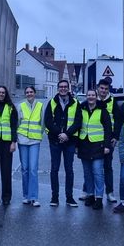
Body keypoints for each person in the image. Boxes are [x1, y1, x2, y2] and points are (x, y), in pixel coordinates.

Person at [43, 79, 82, 207]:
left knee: (69, 170)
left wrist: (67, 134)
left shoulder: (75, 103)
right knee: (54, 169)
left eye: (65, 87)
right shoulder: (52, 103)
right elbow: (48, 121)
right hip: (55, 141)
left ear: (69, 88)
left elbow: (78, 121)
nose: (63, 89)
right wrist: (59, 134)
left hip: (70, 141)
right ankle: (54, 198)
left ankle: (69, 198)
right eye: (61, 87)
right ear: (58, 88)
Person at [78, 89, 112, 210]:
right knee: (87, 173)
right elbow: (78, 126)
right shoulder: (81, 109)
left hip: (98, 145)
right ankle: (90, 195)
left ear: (96, 97)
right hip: (84, 145)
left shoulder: (102, 110)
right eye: (89, 95)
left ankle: (99, 198)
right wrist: (77, 145)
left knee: (98, 173)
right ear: (86, 97)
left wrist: (107, 146)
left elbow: (108, 129)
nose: (91, 97)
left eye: (93, 95)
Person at [17, 86, 44, 207]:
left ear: (35, 93)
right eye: (27, 92)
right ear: (25, 94)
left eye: (31, 92)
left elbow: (42, 123)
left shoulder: (40, 105)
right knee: (25, 169)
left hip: (34, 140)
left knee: (33, 169)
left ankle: (33, 197)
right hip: (22, 140)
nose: (29, 94)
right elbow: (17, 122)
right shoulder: (20, 106)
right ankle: (26, 195)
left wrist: (39, 134)